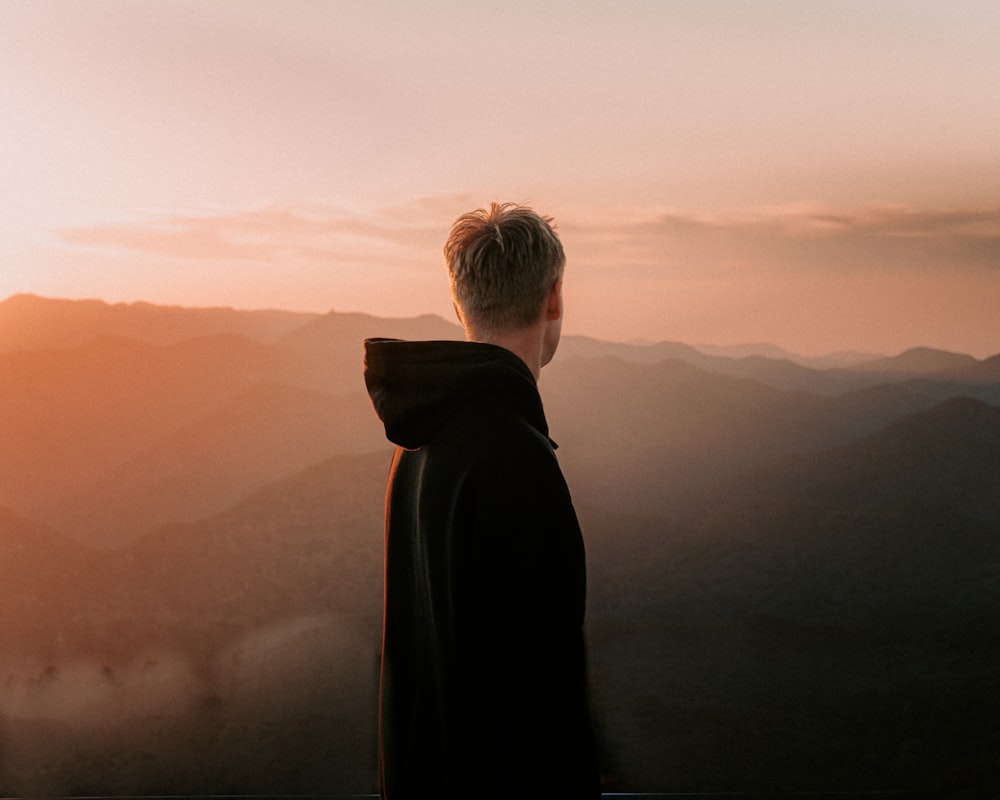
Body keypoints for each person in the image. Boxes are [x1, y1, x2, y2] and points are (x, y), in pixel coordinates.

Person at [364, 202, 600, 798]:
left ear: (458, 302)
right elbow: (542, 694)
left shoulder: (416, 440)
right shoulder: (515, 458)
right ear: (554, 300)